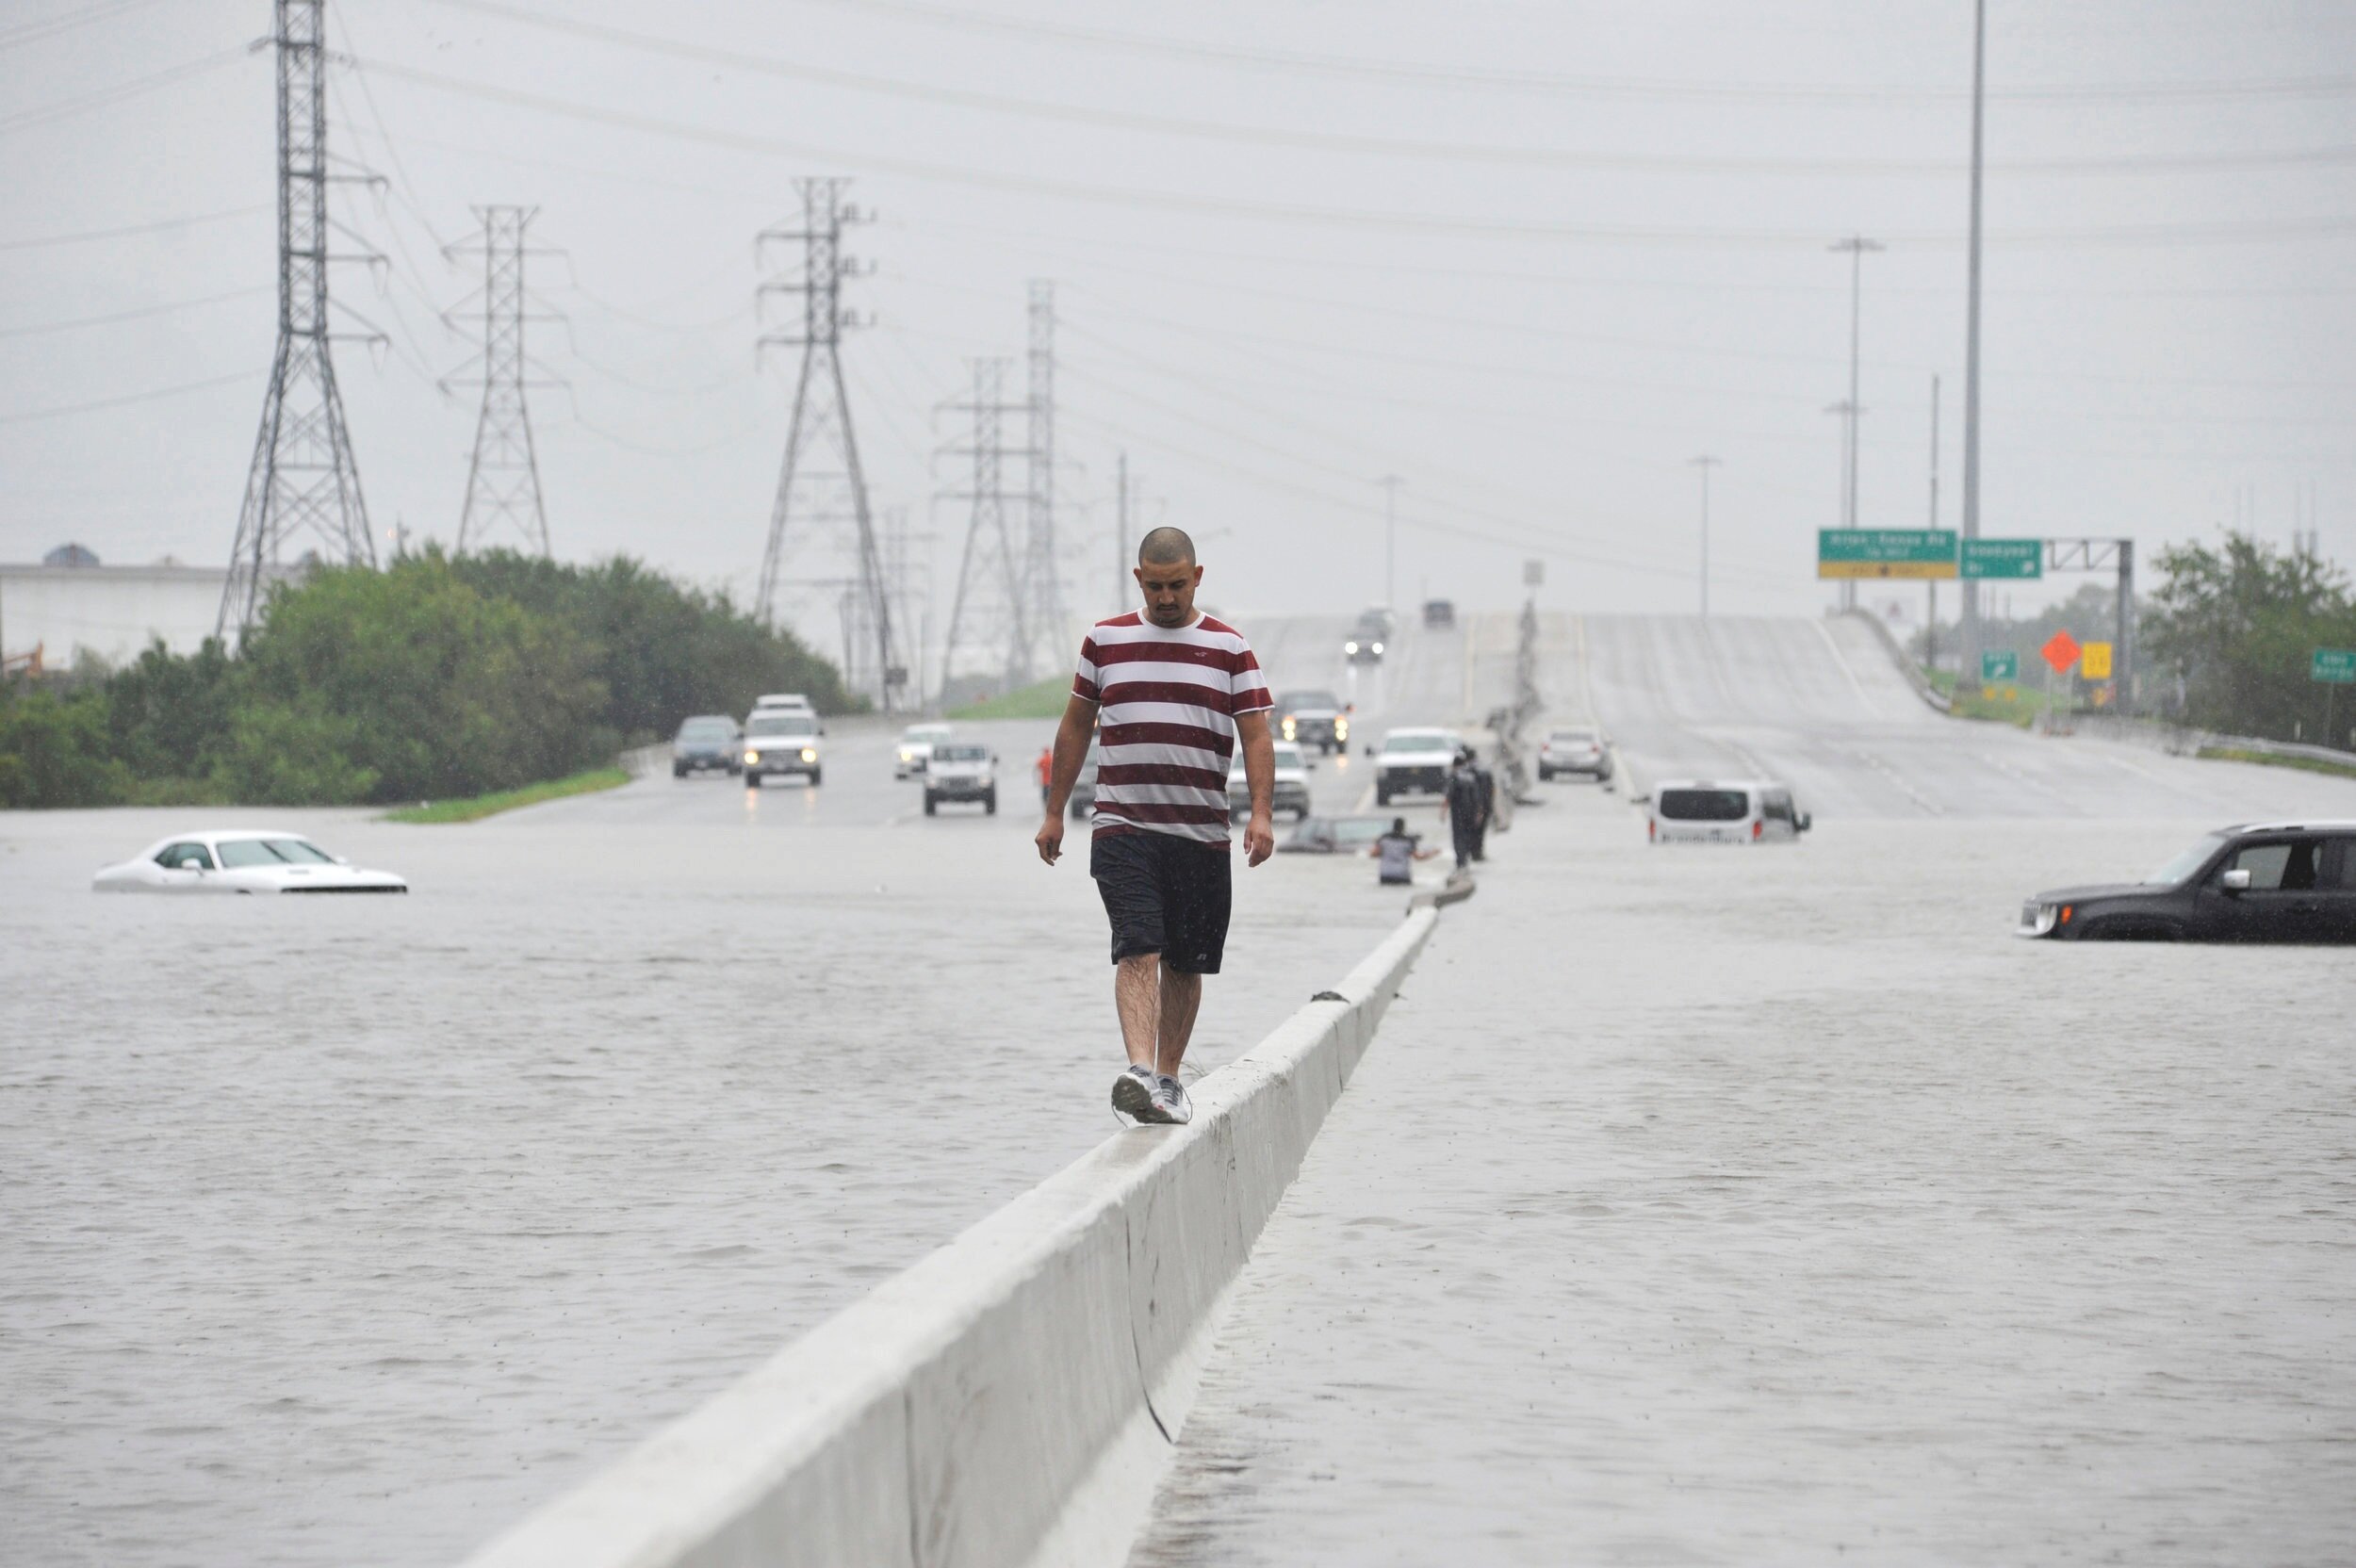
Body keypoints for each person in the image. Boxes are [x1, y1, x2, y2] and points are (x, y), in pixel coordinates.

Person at [1036, 525, 1275, 1127]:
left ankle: (1168, 1080)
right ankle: (1139, 1069)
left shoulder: (1229, 649)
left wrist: (1263, 814)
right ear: (1138, 579)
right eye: (1156, 586)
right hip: (1123, 826)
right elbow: (1074, 727)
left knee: (1187, 963)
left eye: (1177, 586)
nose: (1166, 597)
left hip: (1201, 833)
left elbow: (1255, 734)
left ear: (1197, 579)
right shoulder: (1105, 641)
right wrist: (1054, 811)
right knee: (1138, 944)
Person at [1442, 747, 1483, 873]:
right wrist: (1479, 813)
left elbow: (1449, 796)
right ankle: (1465, 859)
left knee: (1458, 837)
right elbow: (1477, 798)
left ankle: (1461, 862)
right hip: (1470, 812)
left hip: (1458, 813)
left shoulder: (1454, 777)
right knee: (1467, 835)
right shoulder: (1471, 777)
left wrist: (1443, 812)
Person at [1369, 816, 1437, 886]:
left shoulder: (1384, 839)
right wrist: (1433, 853)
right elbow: (1418, 857)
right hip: (1402, 875)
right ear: (1403, 827)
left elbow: (1373, 854)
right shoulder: (1408, 841)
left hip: (1386, 874)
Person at [1467, 744, 1497, 861]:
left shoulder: (1465, 771)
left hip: (1469, 806)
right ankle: (1477, 852)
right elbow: (1492, 789)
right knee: (1480, 831)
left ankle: (1471, 852)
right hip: (1485, 805)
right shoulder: (1485, 770)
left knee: (1470, 830)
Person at [1034, 744, 1054, 811]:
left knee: (1045, 798)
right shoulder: (1052, 759)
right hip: (1052, 782)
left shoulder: (1042, 760)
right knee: (1051, 797)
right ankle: (1050, 809)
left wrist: (1035, 781)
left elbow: (1036, 769)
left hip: (1045, 782)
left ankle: (1046, 809)